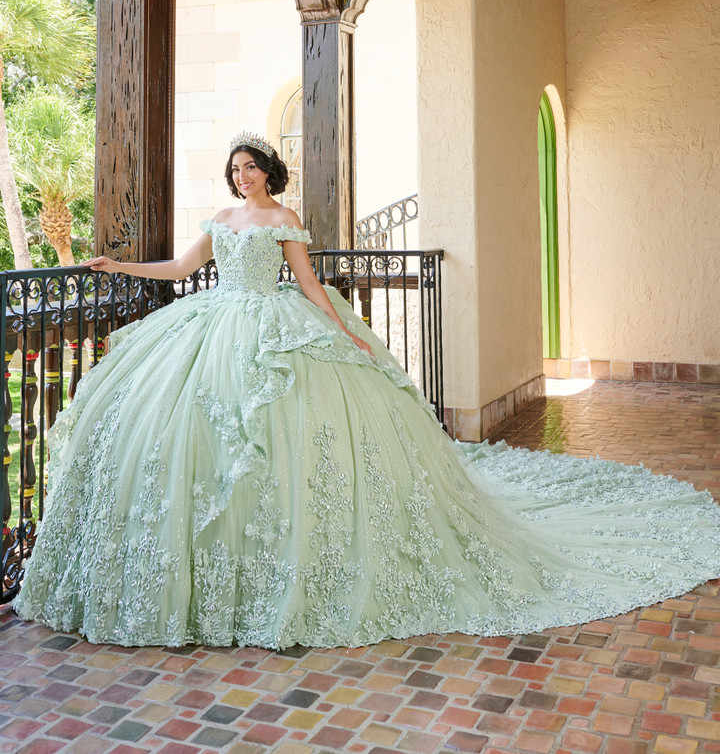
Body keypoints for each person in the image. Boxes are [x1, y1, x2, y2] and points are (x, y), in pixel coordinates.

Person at [15, 132, 720, 648]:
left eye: (251, 166)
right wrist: (120, 266)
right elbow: (177, 269)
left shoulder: (285, 221)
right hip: (213, 326)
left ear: (269, 172)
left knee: (289, 437)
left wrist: (347, 333)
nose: (243, 176)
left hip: (275, 324)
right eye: (235, 169)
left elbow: (311, 285)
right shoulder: (219, 223)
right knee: (197, 437)